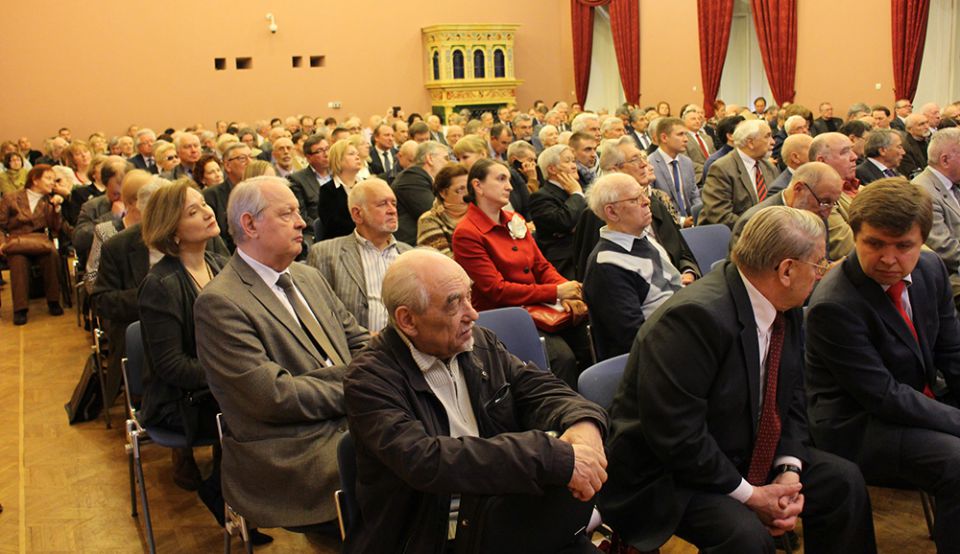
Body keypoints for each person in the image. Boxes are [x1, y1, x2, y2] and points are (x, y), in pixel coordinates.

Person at [600, 205, 877, 553]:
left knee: (843, 483)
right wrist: (752, 495)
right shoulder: (693, 318)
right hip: (670, 472)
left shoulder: (782, 304)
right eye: (818, 264)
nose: (820, 274)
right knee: (746, 537)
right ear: (786, 270)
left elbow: (791, 396)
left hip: (742, 446)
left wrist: (788, 469)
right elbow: (678, 436)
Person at [342, 249, 608, 554]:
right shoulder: (369, 378)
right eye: (454, 303)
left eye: (469, 296)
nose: (473, 314)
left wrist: (584, 424)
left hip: (503, 513)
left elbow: (542, 389)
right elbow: (425, 461)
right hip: (431, 536)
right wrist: (550, 456)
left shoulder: (479, 342)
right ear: (407, 320)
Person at [194, 176, 370, 530]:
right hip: (295, 452)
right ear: (249, 225)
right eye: (287, 213)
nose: (302, 222)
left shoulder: (309, 277)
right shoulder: (220, 302)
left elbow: (361, 343)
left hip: (356, 423)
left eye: (299, 212)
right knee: (405, 483)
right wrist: (359, 386)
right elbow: (274, 396)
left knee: (442, 450)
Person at [805, 179, 960, 551]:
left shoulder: (930, 268)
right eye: (874, 244)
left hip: (913, 399)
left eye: (903, 246)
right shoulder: (834, 304)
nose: (889, 259)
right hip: (859, 424)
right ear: (855, 236)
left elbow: (953, 351)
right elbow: (884, 396)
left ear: (922, 241)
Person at [135, 180, 274, 541]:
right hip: (180, 400)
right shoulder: (160, 285)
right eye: (193, 211)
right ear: (173, 231)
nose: (208, 212)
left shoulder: (219, 263)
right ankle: (226, 490)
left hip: (217, 388)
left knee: (275, 398)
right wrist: (234, 376)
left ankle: (243, 492)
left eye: (204, 204)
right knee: (261, 412)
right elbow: (171, 366)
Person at [452, 158, 591, 387]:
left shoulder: (514, 220)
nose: (509, 186)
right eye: (501, 179)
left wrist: (569, 292)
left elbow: (541, 266)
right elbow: (496, 290)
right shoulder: (467, 233)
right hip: (505, 315)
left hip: (538, 306)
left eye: (509, 179)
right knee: (561, 358)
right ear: (478, 186)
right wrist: (556, 292)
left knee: (589, 339)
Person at [583, 173, 684, 360]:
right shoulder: (606, 265)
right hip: (658, 357)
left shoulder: (644, 239)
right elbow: (634, 339)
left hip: (681, 331)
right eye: (635, 199)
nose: (647, 201)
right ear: (612, 212)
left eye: (643, 193)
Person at [306, 179, 412, 333]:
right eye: (382, 204)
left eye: (393, 204)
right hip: (353, 344)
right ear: (357, 214)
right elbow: (320, 313)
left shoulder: (409, 255)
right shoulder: (325, 254)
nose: (392, 210)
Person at [733, 161, 853, 262]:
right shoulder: (756, 222)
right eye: (824, 201)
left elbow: (821, 262)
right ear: (798, 189)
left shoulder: (819, 214)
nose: (827, 213)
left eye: (833, 204)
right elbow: (753, 276)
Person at [0, 165, 67, 325]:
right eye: (48, 178)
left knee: (51, 254)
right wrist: (1, 243)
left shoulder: (49, 201)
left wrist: (56, 209)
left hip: (40, 238)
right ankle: (20, 309)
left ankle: (53, 301)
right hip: (17, 238)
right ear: (35, 180)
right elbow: (0, 225)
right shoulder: (11, 198)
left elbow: (55, 227)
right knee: (18, 260)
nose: (52, 183)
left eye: (53, 179)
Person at [84, 170, 154, 293]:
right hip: (119, 299)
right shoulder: (106, 231)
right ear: (133, 202)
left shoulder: (159, 230)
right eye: (150, 198)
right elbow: (91, 279)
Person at [701, 119, 779, 228]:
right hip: (734, 233)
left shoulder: (769, 167)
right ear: (750, 143)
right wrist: (757, 229)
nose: (773, 142)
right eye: (767, 136)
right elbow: (719, 214)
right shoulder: (722, 168)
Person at [913, 127, 960, 306]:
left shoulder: (952, 184)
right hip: (949, 276)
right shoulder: (923, 191)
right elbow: (943, 247)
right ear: (945, 160)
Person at [529, 144, 588, 279]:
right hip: (565, 263)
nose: (574, 166)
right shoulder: (540, 197)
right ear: (552, 169)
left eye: (573, 161)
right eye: (567, 161)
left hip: (585, 253)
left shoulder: (580, 190)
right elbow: (564, 221)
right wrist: (577, 194)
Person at [648, 117, 702, 226]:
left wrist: (699, 216)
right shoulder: (649, 164)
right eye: (680, 134)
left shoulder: (686, 162)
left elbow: (694, 195)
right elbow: (652, 204)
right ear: (664, 138)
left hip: (692, 222)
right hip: (665, 225)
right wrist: (681, 221)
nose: (686, 139)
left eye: (686, 134)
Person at [393, 140, 449, 245]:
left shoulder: (421, 178)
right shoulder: (412, 178)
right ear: (430, 158)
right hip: (412, 245)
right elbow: (434, 212)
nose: (448, 163)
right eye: (446, 158)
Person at [416, 163, 469, 257]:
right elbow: (445, 260)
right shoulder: (429, 220)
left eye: (469, 188)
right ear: (443, 193)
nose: (467, 195)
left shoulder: (479, 214)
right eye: (460, 189)